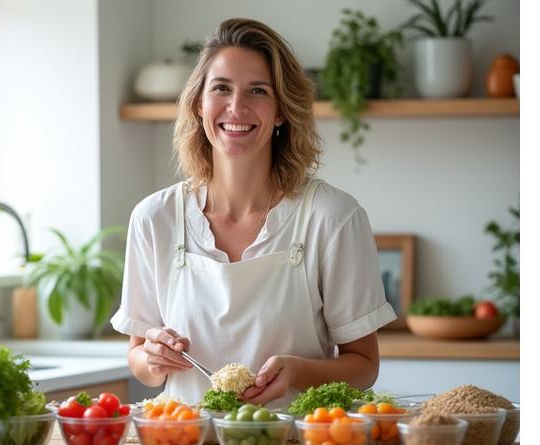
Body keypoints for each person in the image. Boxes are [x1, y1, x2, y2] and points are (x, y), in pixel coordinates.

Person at [111, 18, 396, 408]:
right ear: (199, 103)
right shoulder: (154, 219)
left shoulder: (332, 217)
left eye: (257, 91)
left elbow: (364, 365)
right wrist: (153, 357)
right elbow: (138, 359)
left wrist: (299, 371)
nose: (236, 107)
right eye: (221, 88)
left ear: (281, 111)